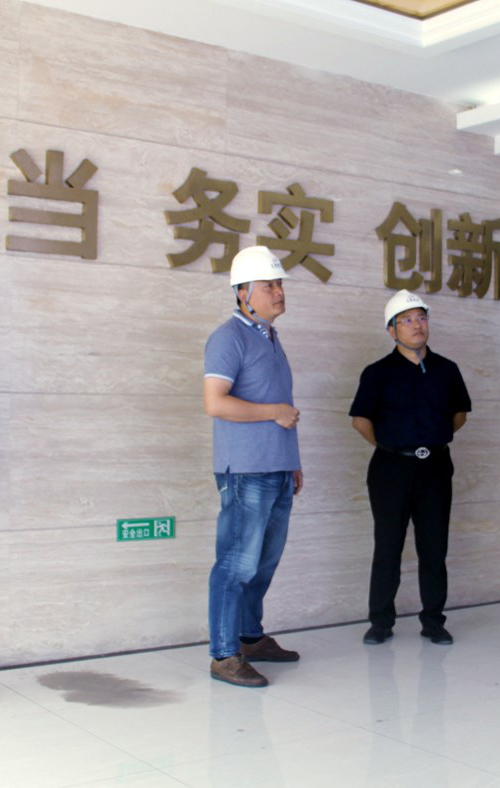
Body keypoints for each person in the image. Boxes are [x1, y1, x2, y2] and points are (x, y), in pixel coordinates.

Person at [203, 246, 303, 688]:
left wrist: (292, 462)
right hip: (245, 471)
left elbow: (282, 406)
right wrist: (273, 413)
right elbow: (215, 403)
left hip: (276, 469)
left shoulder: (270, 337)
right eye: (269, 285)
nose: (279, 292)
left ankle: (249, 637)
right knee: (236, 564)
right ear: (243, 292)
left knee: (263, 562)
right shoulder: (228, 338)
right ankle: (224, 655)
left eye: (279, 284)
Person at [350, 291, 471, 646]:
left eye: (421, 318)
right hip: (391, 468)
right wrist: (391, 446)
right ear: (392, 330)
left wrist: (430, 442)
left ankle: (433, 621)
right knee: (388, 546)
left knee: (434, 547)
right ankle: (380, 622)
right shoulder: (377, 373)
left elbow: (459, 416)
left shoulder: (447, 369)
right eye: (407, 320)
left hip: (435, 466)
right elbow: (360, 421)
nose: (416, 326)